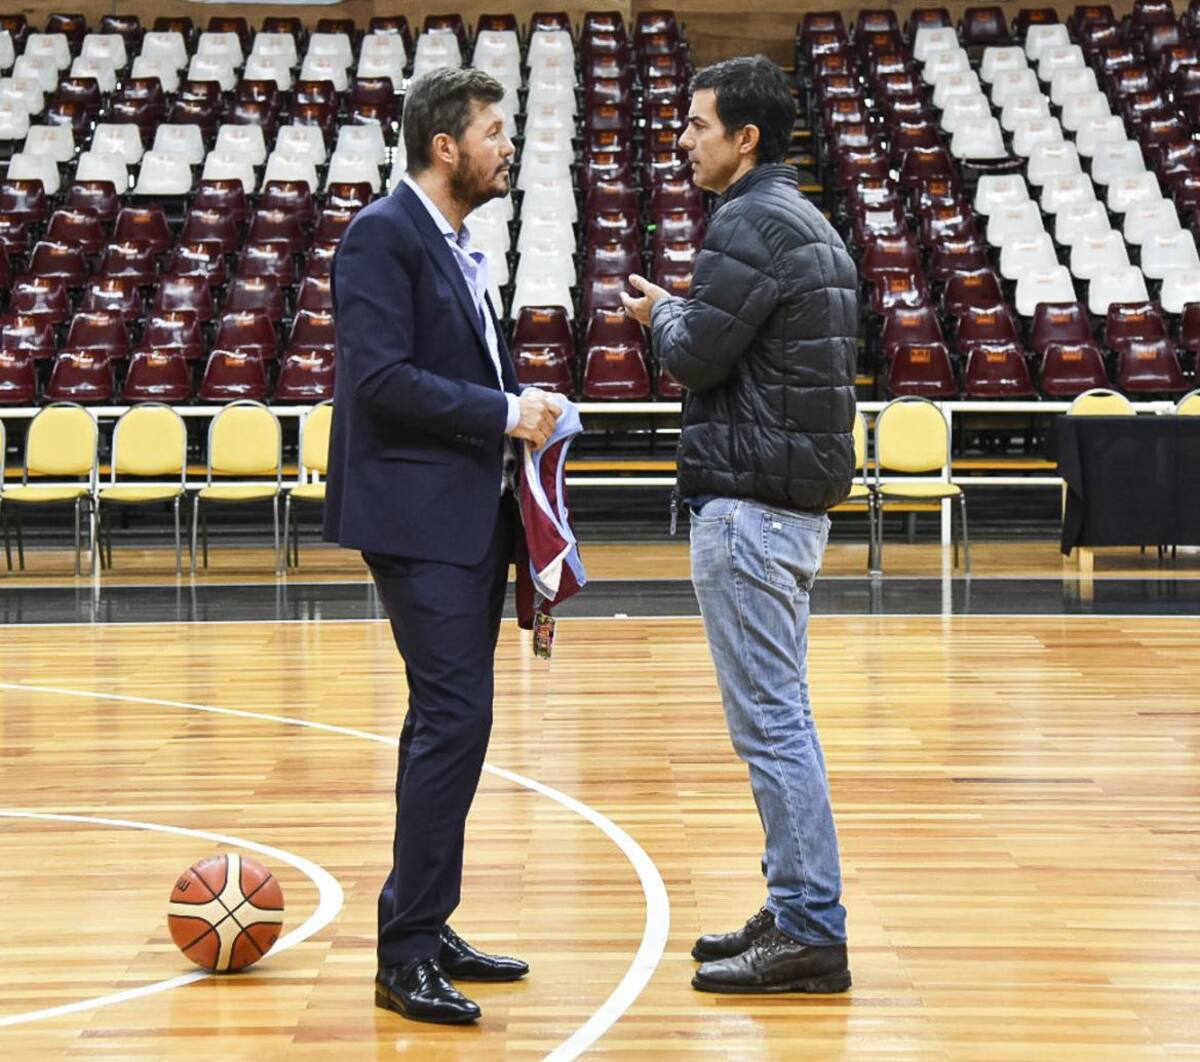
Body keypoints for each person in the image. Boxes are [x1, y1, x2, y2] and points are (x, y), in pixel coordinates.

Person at [324, 67, 563, 1025]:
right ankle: (406, 952)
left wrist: (520, 408)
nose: (509, 148)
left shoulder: (453, 242)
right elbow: (378, 380)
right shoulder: (381, 236)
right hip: (419, 519)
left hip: (461, 514)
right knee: (454, 720)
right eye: (496, 133)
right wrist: (508, 412)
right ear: (445, 147)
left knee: (444, 724)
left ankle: (425, 922)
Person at [621, 54, 857, 995]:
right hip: (788, 513)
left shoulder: (748, 220)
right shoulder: (809, 220)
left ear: (745, 137)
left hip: (752, 515)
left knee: (772, 726)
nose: (683, 139)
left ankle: (808, 927)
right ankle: (795, 902)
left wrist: (660, 311)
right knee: (780, 717)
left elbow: (695, 359)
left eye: (697, 124)